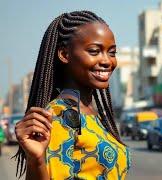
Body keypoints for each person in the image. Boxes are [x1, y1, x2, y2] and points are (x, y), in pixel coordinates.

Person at [14, 10, 131, 180]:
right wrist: (36, 161)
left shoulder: (91, 114)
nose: (107, 61)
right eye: (94, 51)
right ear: (64, 55)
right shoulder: (61, 115)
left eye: (112, 52)